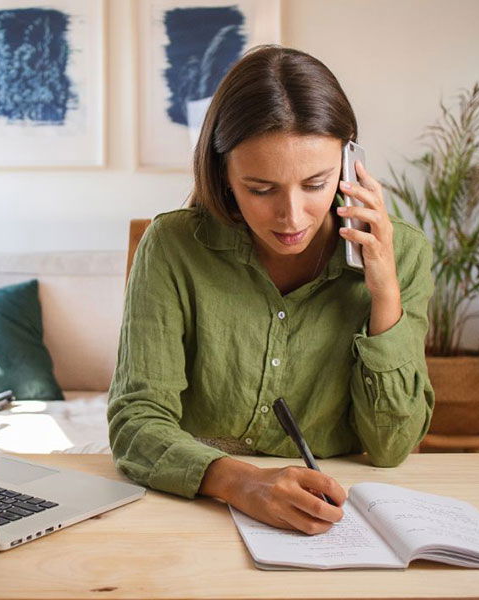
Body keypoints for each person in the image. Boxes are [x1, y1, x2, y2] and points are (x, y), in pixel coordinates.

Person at [107, 45, 434, 535]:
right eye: (261, 189)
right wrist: (243, 483)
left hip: (336, 522)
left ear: (349, 166)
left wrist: (384, 292)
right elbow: (136, 422)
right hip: (195, 510)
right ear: (223, 175)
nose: (292, 216)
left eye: (316, 184)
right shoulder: (173, 246)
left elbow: (391, 447)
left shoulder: (402, 252)